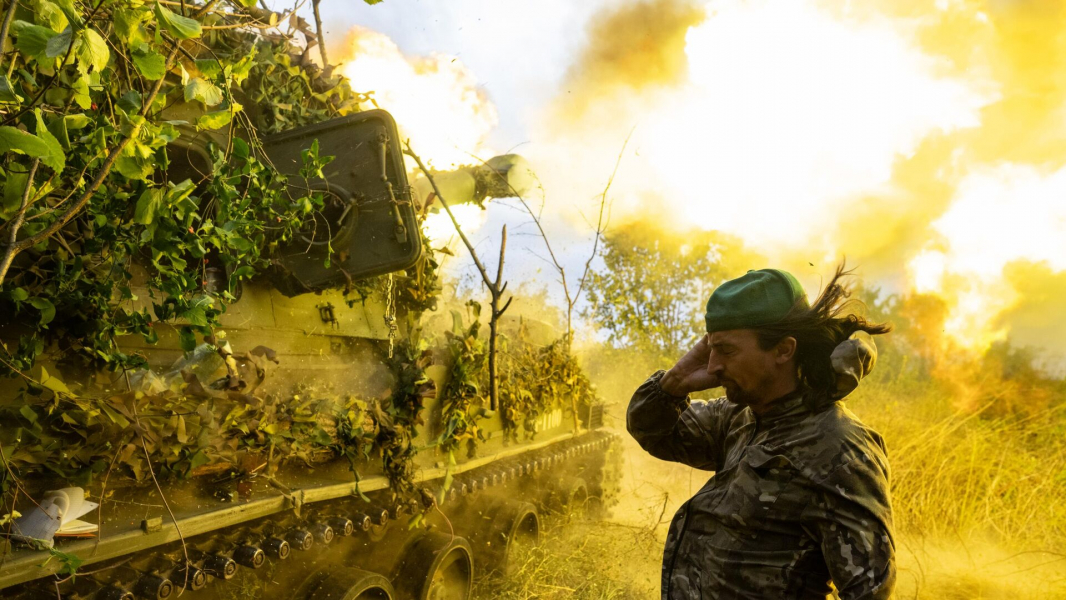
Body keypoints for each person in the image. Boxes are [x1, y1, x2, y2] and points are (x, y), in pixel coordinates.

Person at [627, 265, 895, 600]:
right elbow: (653, 432)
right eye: (710, 349)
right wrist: (674, 383)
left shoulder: (841, 451)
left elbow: (870, 592)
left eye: (727, 351)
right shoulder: (739, 418)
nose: (712, 367)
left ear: (784, 349)